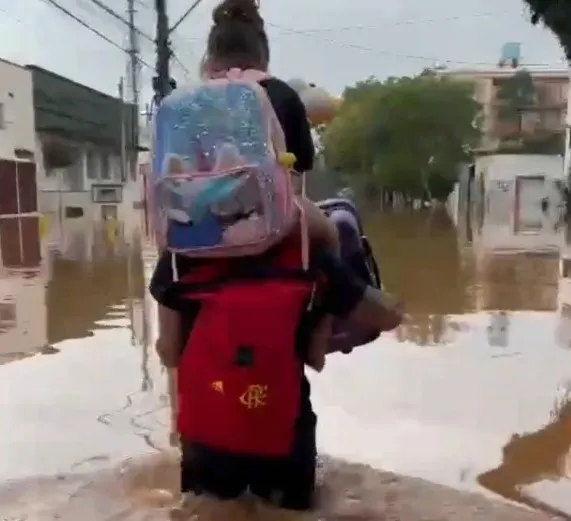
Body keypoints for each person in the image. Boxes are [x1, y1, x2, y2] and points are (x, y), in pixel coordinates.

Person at [151, 0, 402, 518]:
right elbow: (385, 315)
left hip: (205, 441)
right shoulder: (304, 255)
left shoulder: (178, 262)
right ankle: (315, 334)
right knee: (332, 233)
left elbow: (169, 353)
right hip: (280, 438)